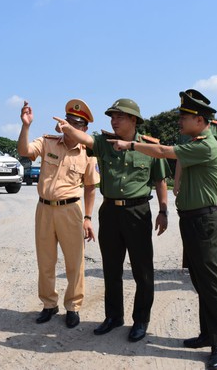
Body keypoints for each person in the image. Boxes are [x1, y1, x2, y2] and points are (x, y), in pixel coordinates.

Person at [105, 92, 217, 370]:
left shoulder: (207, 145)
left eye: (184, 117)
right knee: (200, 281)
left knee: (212, 285)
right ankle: (207, 334)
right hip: (193, 220)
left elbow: (163, 152)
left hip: (206, 222)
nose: (180, 121)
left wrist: (129, 145)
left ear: (200, 120)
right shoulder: (195, 142)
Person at [55, 98, 169, 343]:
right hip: (110, 212)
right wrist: (68, 128)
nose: (113, 121)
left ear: (134, 120)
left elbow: (160, 181)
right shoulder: (104, 144)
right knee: (112, 269)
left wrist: (163, 210)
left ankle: (140, 321)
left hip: (138, 212)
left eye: (119, 117)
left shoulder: (149, 146)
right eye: (112, 117)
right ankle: (113, 317)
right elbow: (84, 139)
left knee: (142, 271)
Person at [17, 99, 99, 329]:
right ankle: (49, 304)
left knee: (75, 262)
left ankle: (73, 306)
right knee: (46, 260)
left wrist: (88, 218)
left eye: (76, 123)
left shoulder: (88, 153)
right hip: (44, 208)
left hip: (71, 210)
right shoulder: (47, 142)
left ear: (84, 129)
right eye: (68, 120)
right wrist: (25, 125)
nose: (69, 125)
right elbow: (24, 151)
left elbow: (91, 187)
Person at [174, 89, 217, 280]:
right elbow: (179, 156)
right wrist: (177, 182)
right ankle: (194, 264)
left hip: (213, 183)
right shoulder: (186, 129)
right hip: (193, 183)